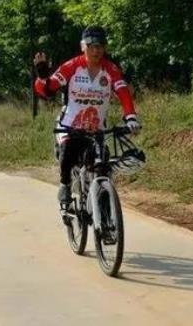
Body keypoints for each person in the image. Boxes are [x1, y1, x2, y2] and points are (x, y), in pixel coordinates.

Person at [33, 26, 141, 204]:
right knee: (68, 153)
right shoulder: (72, 66)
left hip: (96, 127)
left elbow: (123, 92)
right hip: (70, 125)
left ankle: (104, 205)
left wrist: (130, 116)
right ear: (83, 46)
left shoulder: (111, 69)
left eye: (100, 46)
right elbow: (47, 90)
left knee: (103, 164)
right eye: (91, 46)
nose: (96, 50)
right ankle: (65, 185)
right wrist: (43, 77)